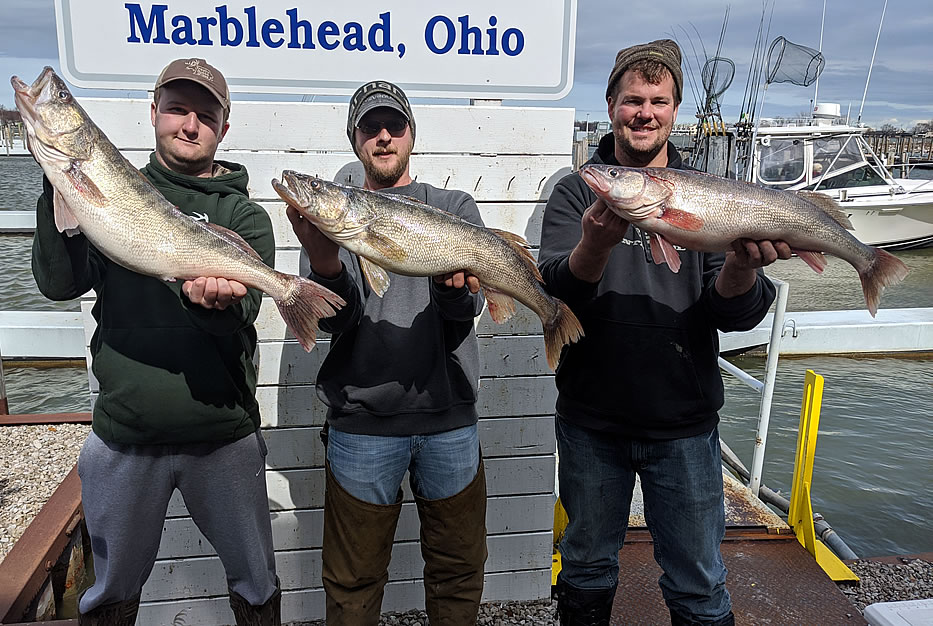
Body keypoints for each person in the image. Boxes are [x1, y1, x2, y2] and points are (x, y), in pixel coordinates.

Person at [538, 40, 792, 626]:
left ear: (675, 110)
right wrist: (593, 246)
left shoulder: (706, 194)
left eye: (659, 101)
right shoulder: (579, 189)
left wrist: (741, 265)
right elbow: (554, 293)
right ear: (610, 106)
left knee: (699, 583)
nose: (645, 113)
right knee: (584, 568)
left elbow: (732, 314)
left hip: (683, 424)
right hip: (591, 422)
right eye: (633, 100)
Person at [31, 58, 281, 626]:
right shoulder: (111, 189)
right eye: (177, 109)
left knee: (257, 581)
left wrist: (213, 301)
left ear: (223, 125)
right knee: (110, 590)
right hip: (123, 436)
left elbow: (241, 311)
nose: (189, 124)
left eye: (205, 115)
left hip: (223, 436)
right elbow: (57, 284)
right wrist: (56, 187)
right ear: (153, 113)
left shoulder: (244, 215)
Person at [286, 80, 488, 625]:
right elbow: (336, 320)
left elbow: (466, 313)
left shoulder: (454, 207)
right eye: (370, 127)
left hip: (449, 421)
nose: (383, 136)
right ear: (354, 140)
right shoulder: (338, 218)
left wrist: (453, 293)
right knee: (352, 583)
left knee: (458, 572)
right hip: (362, 427)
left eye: (394, 125)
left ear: (411, 135)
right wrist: (325, 261)